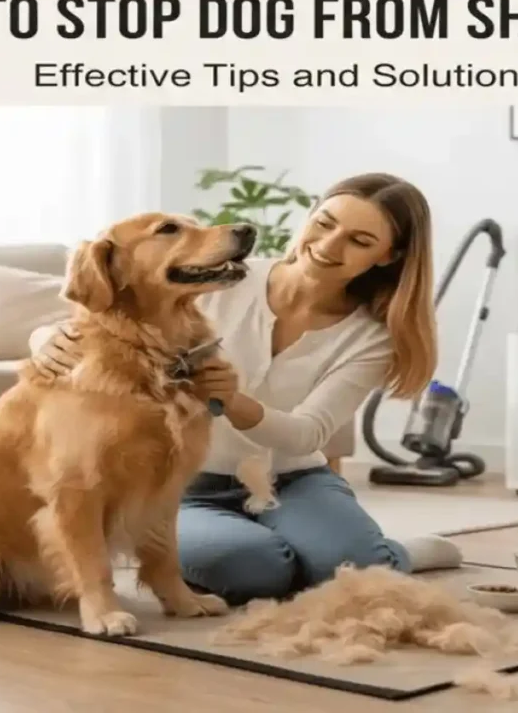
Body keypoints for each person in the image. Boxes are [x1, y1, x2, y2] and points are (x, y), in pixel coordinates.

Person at [28, 172, 463, 606]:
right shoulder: (224, 276)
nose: (328, 246)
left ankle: (391, 553)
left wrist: (235, 404)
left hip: (294, 480)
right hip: (185, 487)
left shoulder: (373, 336)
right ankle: (311, 557)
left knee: (354, 567)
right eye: (325, 223)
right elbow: (114, 313)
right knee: (254, 569)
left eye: (360, 241)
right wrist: (44, 337)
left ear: (390, 256)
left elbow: (308, 434)